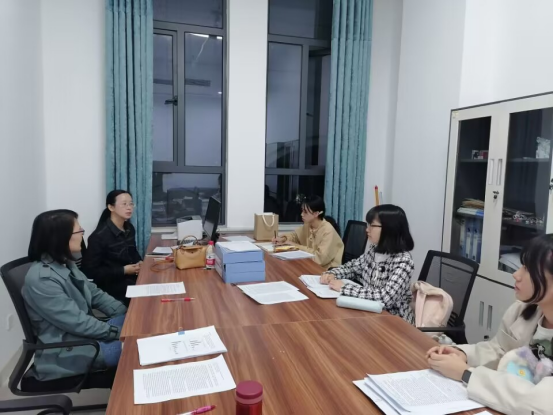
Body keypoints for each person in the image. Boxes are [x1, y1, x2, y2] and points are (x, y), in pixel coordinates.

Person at [426, 235, 553, 415]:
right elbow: (499, 349)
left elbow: (540, 403)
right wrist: (463, 354)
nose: (516, 274)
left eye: (528, 269)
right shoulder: (523, 310)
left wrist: (467, 374)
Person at [22, 210, 127, 381]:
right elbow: (78, 323)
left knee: (143, 323)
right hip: (71, 349)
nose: (82, 235)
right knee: (140, 347)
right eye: (79, 231)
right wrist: (122, 333)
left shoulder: (65, 263)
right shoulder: (42, 279)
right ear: (61, 238)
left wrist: (125, 313)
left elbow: (94, 293)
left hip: (86, 336)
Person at [320, 204, 415, 323]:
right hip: (369, 312)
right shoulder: (373, 250)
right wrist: (333, 274)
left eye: (372, 225)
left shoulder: (403, 260)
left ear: (389, 228)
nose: (367, 229)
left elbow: (385, 298)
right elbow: (352, 268)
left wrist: (344, 288)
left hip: (394, 320)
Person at [82, 190, 142, 305]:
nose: (129, 207)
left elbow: (133, 252)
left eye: (131, 204)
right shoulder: (98, 237)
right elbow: (90, 272)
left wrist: (139, 262)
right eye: (124, 204)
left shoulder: (129, 228)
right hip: (111, 285)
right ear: (111, 207)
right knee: (144, 298)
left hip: (130, 278)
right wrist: (123, 270)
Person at [272, 195, 343, 269]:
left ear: (316, 214)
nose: (301, 214)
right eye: (302, 210)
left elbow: (319, 259)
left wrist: (296, 246)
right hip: (310, 265)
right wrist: (283, 238)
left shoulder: (328, 231)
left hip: (326, 271)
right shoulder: (308, 224)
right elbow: (295, 236)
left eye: (305, 212)